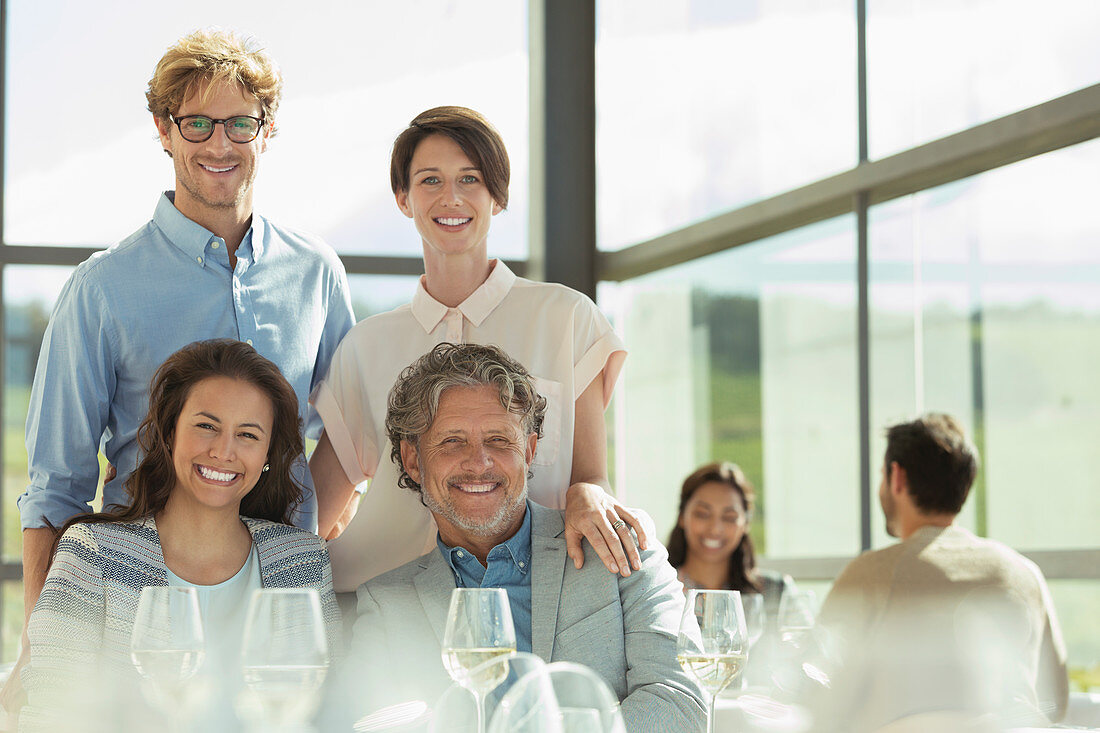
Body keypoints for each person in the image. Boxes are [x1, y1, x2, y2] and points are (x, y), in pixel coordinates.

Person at [14, 26, 354, 702]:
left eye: (239, 123)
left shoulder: (316, 273)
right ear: (163, 130)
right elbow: (56, 487)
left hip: (275, 598)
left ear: (269, 128)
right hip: (131, 594)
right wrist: (43, 648)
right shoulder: (102, 287)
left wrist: (300, 538)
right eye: (196, 123)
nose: (220, 144)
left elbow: (349, 435)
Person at [309, 106, 638, 592]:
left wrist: (589, 495)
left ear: (497, 198)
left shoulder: (566, 317)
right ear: (403, 198)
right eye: (429, 180)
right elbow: (311, 510)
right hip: (384, 602)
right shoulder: (365, 345)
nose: (451, 197)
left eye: (470, 179)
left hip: (528, 604)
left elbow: (589, 481)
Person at [334, 343, 705, 730]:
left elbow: (681, 702)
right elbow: (363, 724)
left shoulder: (619, 548)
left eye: (499, 440)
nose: (479, 463)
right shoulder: (386, 603)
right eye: (452, 441)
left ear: (528, 452)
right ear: (413, 461)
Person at [19, 340, 342, 733]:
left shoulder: (304, 561)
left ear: (268, 455)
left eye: (248, 435)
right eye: (207, 426)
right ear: (170, 433)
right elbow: (49, 715)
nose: (224, 451)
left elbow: (327, 712)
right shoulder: (90, 554)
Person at [817, 413, 1069, 730]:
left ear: (896, 477)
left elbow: (821, 699)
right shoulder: (1023, 574)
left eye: (882, 474)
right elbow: (1054, 704)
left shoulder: (870, 574)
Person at [668, 461, 795, 616]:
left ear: (746, 523)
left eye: (729, 517)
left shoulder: (776, 592)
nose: (715, 529)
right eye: (702, 514)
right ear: (682, 516)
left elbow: (806, 639)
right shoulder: (660, 590)